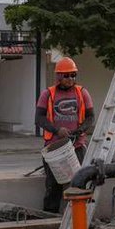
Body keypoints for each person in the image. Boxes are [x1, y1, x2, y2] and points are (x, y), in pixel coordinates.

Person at [36, 57, 95, 213]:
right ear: (59, 77)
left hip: (77, 147)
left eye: (73, 75)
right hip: (54, 148)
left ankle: (80, 217)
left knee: (81, 182)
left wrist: (80, 130)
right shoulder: (48, 94)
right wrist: (57, 130)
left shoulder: (82, 93)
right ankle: (50, 216)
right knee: (53, 185)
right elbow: (39, 118)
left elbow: (90, 117)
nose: (71, 79)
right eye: (67, 75)